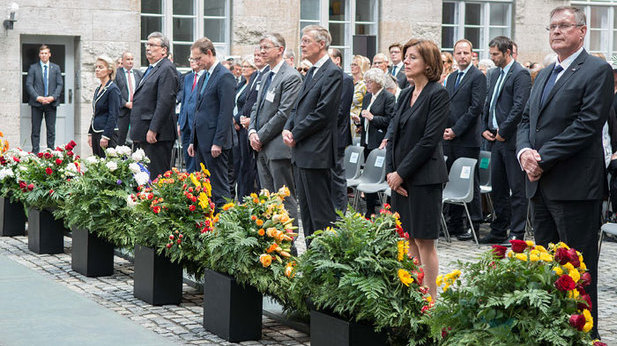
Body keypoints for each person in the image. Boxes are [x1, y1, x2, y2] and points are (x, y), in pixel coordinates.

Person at [517, 6, 613, 338]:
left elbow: (586, 126)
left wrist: (541, 158)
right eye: (552, 26)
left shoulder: (597, 71)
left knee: (579, 270)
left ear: (582, 31)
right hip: (540, 187)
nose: (557, 31)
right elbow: (528, 121)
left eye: (564, 26)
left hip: (574, 189)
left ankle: (586, 337)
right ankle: (553, 334)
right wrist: (523, 153)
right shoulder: (544, 73)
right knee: (547, 269)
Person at [386, 39, 449, 299]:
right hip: (401, 179)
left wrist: (402, 173)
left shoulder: (437, 93)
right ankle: (413, 293)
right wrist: (392, 173)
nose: (406, 62)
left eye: (412, 57)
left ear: (428, 63)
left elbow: (428, 140)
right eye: (406, 57)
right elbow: (393, 133)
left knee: (424, 240)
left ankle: (430, 298)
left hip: (424, 178)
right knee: (407, 238)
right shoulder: (405, 92)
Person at [283, 25, 342, 244]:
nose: (302, 44)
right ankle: (312, 260)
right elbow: (298, 106)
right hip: (302, 150)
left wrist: (296, 133)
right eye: (302, 40)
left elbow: (323, 113)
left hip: (316, 152)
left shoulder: (332, 73)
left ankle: (325, 262)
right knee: (306, 211)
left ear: (322, 44)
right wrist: (288, 128)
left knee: (321, 214)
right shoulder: (312, 71)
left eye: (307, 41)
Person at [479, 36, 531, 244]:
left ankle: (517, 232)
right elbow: (488, 103)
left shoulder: (520, 74)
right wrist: (484, 128)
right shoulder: (493, 73)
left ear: (508, 52)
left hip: (511, 139)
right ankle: (498, 228)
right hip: (494, 138)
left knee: (517, 187)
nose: (492, 58)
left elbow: (519, 107)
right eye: (491, 54)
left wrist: (504, 131)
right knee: (498, 186)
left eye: (496, 54)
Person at [249, 33, 302, 224]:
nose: (262, 51)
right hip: (262, 146)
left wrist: (260, 136)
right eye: (260, 47)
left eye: (266, 47)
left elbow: (283, 113)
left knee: (283, 197)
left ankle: (290, 240)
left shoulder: (291, 76)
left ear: (280, 50)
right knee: (267, 198)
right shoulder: (265, 75)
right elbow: (256, 107)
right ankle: (272, 240)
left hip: (278, 148)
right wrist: (252, 132)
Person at [443, 39, 487, 241]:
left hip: (467, 138)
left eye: (465, 53)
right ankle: (454, 223)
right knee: (451, 179)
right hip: (449, 138)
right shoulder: (451, 77)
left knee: (470, 182)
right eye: (458, 53)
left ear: (472, 55)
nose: (462, 56)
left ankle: (474, 224)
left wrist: (456, 130)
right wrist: (445, 129)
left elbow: (475, 108)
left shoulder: (477, 77)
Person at [187, 37, 235, 211]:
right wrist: (193, 140)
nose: (196, 62)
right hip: (201, 141)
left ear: (209, 53)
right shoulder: (203, 77)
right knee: (204, 187)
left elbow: (225, 112)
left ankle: (225, 225)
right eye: (193, 59)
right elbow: (198, 111)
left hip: (215, 143)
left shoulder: (224, 76)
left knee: (220, 188)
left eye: (198, 58)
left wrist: (218, 142)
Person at [130, 32, 179, 180]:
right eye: (147, 44)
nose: (148, 48)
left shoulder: (166, 68)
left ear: (164, 50)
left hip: (157, 135)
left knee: (157, 177)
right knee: (144, 176)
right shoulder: (151, 68)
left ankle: (158, 203)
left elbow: (165, 101)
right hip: (145, 132)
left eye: (152, 45)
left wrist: (153, 129)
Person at [353, 67, 395, 217]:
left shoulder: (387, 97)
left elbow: (391, 120)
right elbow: (363, 116)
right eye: (366, 81)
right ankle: (369, 210)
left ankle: (386, 211)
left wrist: (372, 118)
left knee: (381, 176)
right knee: (368, 175)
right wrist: (359, 121)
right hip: (366, 140)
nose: (367, 84)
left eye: (369, 82)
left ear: (378, 82)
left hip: (379, 141)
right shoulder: (367, 97)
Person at [236, 48, 269, 198]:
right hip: (245, 127)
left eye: (260, 55)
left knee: (256, 171)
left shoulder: (267, 75)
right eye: (255, 55)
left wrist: (253, 121)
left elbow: (265, 105)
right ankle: (244, 199)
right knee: (245, 166)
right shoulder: (256, 75)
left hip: (257, 128)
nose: (257, 57)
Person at [25, 44, 63, 153]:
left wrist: (53, 97)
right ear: (39, 55)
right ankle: (35, 154)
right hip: (37, 104)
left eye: (46, 53)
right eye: (42, 53)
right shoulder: (33, 68)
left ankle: (50, 154)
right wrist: (37, 97)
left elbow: (60, 84)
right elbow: (28, 85)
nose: (44, 55)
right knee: (35, 131)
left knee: (51, 131)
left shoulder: (56, 68)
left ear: (49, 54)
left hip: (51, 104)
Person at [329, 48, 354, 213]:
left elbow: (340, 110)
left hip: (337, 135)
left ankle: (340, 212)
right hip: (325, 135)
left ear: (338, 60)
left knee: (337, 175)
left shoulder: (346, 79)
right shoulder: (327, 77)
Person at [88, 56, 121, 158]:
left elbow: (113, 115)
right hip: (96, 132)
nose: (97, 70)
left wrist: (106, 136)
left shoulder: (113, 89)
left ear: (109, 70)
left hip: (107, 133)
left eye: (101, 67)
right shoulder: (98, 89)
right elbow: (95, 113)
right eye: (96, 67)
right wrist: (90, 133)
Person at [177, 54, 204, 173]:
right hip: (185, 123)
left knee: (197, 158)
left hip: (197, 123)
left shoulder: (206, 77)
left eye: (195, 59)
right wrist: (180, 122)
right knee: (187, 157)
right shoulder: (188, 77)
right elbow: (184, 101)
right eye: (190, 59)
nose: (192, 62)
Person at [114, 52, 142, 147]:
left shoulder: (139, 74)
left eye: (132, 59)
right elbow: (115, 93)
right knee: (120, 140)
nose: (130, 61)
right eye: (128, 59)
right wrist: (125, 103)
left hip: (137, 111)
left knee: (137, 139)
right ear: (122, 61)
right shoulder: (116, 74)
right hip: (123, 112)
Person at [350, 55, 370, 135]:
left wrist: (361, 122)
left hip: (358, 120)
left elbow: (368, 103)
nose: (352, 66)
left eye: (355, 64)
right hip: (348, 119)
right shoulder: (349, 81)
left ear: (361, 67)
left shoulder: (365, 84)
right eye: (351, 64)